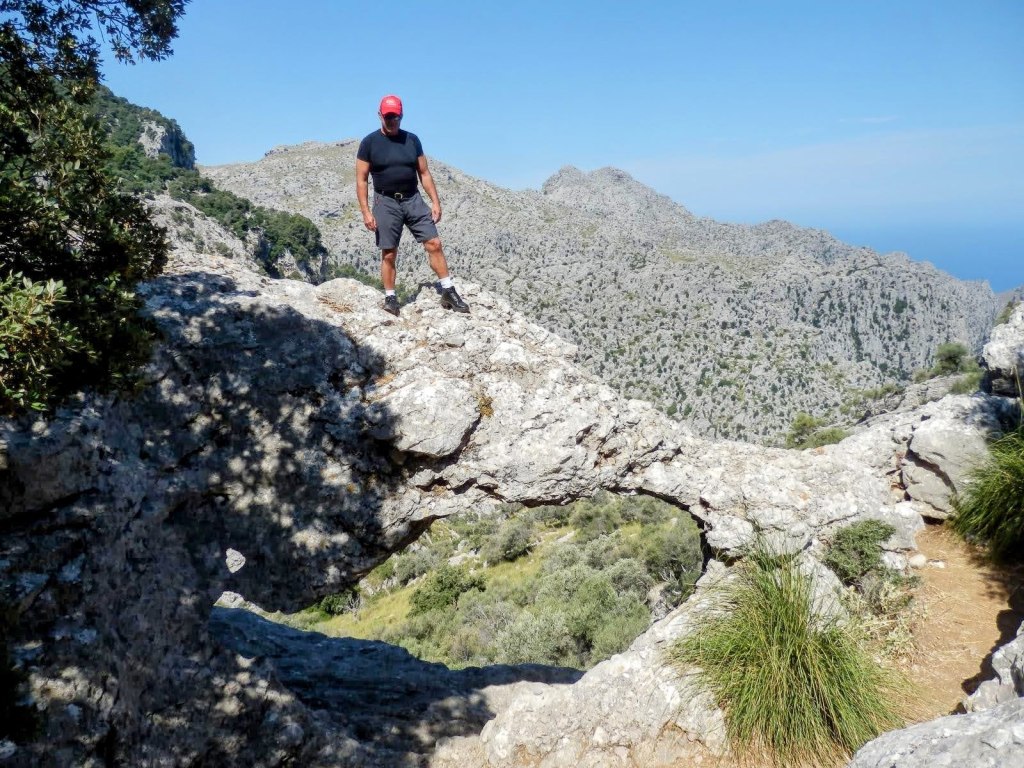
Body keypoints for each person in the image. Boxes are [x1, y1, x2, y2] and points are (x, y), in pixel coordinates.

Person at [355, 94, 469, 316]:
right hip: (385, 200)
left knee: (434, 243)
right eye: (387, 116)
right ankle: (390, 297)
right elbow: (361, 179)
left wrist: (435, 201)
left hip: (413, 198)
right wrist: (366, 211)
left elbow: (424, 173)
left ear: (401, 115)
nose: (391, 121)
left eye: (395, 116)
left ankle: (448, 290)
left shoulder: (412, 140)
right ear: (380, 115)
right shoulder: (369, 143)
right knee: (389, 253)